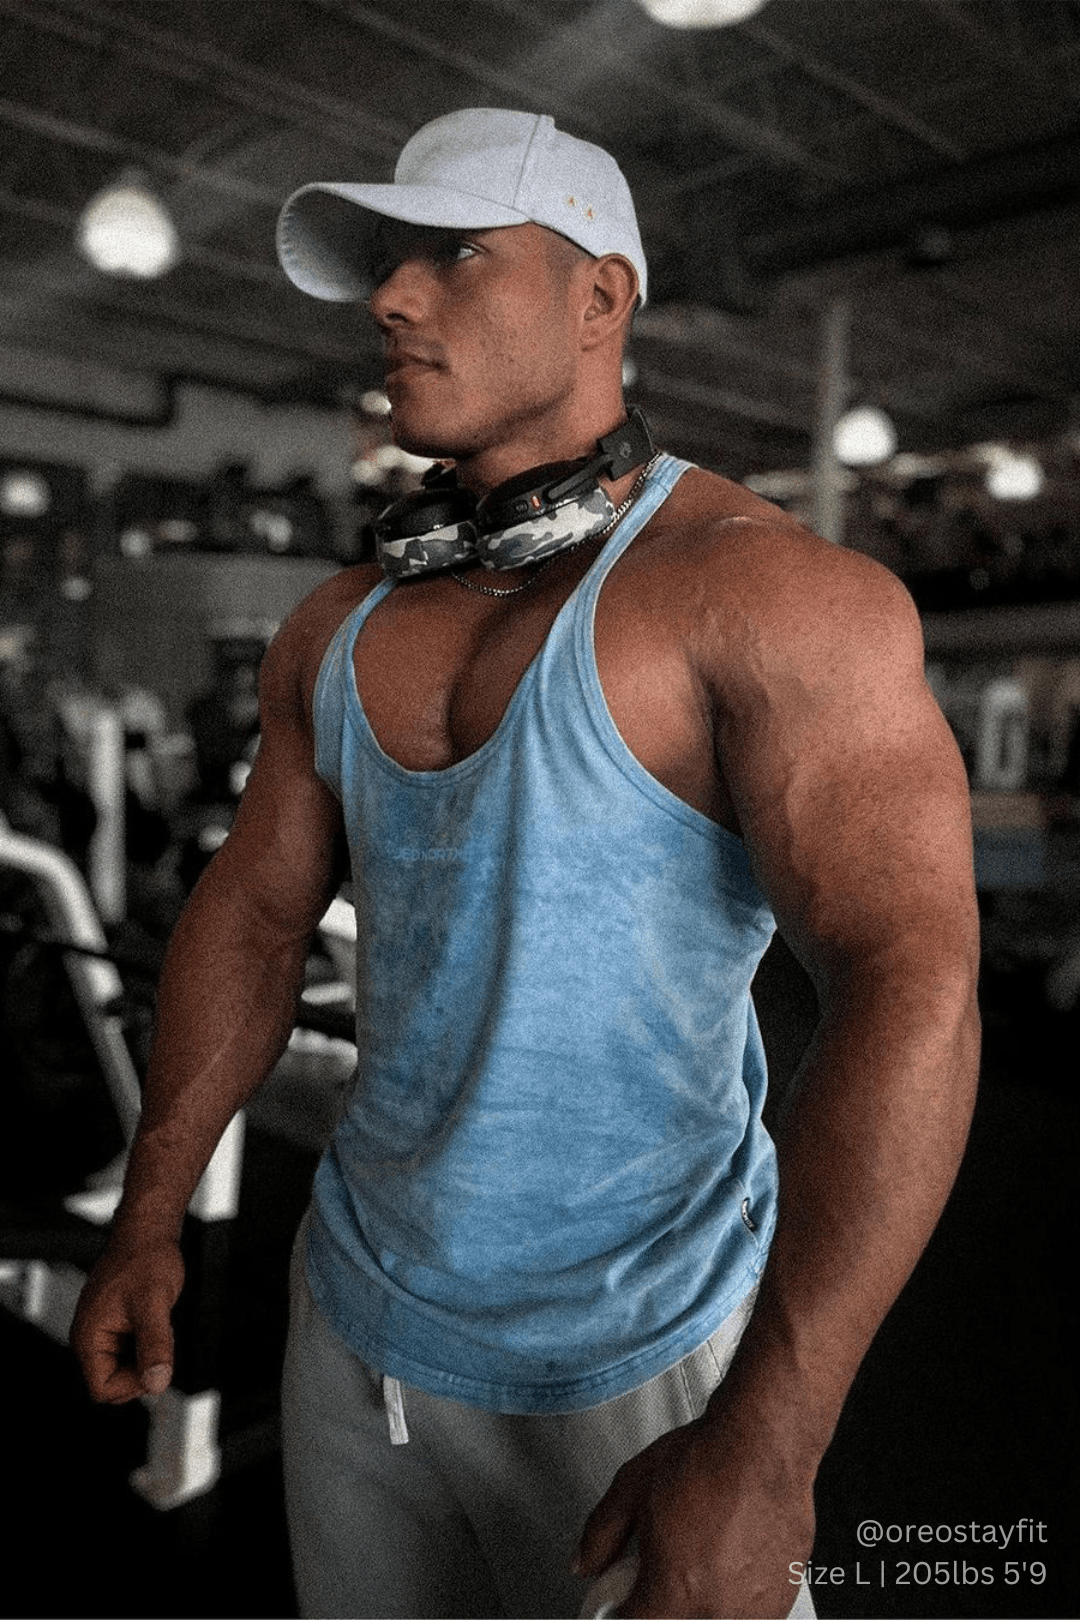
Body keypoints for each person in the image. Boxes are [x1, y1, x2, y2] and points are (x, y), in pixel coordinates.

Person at [71, 109, 980, 1619]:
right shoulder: (338, 623)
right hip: (353, 1317)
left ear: (599, 296)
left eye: (453, 255)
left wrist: (772, 1440)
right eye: (385, 265)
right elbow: (253, 917)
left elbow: (912, 987)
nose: (390, 298)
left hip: (640, 1353)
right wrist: (150, 1208)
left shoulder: (770, 597)